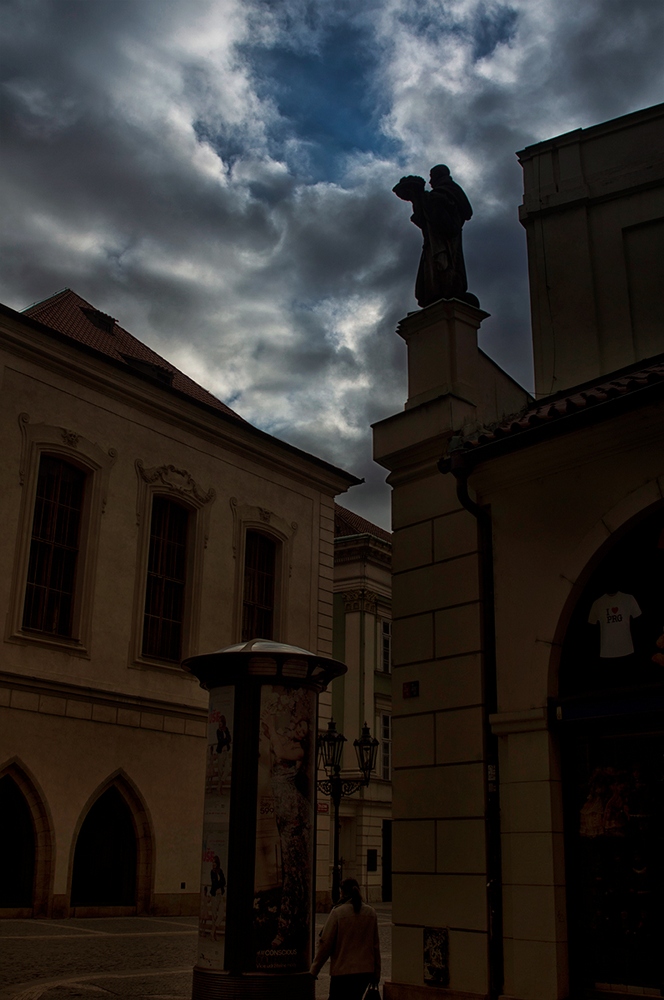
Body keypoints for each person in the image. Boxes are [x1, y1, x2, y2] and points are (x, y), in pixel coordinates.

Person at [393, 164, 475, 308]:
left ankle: (446, 288)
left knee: (443, 267)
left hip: (443, 243)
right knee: (433, 273)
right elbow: (425, 221)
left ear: (439, 176)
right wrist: (418, 200)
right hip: (433, 241)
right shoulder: (438, 195)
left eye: (431, 177)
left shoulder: (447, 193)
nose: (430, 182)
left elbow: (446, 223)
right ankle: (437, 291)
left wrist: (425, 199)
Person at [310, 877, 381, 999]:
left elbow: (325, 943)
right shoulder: (371, 913)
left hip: (342, 971)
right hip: (364, 972)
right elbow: (375, 946)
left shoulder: (338, 913)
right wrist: (377, 973)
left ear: (342, 892)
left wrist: (314, 970)